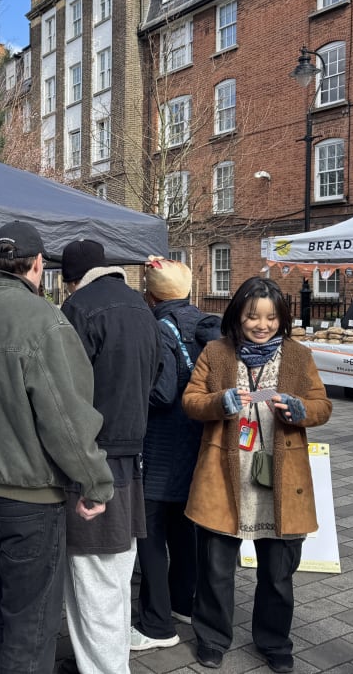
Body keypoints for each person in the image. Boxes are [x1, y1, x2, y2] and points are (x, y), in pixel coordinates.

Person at [0, 220, 113, 674]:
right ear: (39, 265)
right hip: (30, 495)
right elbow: (66, 417)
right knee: (31, 623)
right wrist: (96, 482)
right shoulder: (42, 319)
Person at [182, 277, 331, 672]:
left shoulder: (298, 356)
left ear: (281, 319)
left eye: (270, 317)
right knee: (215, 570)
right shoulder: (216, 352)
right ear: (238, 316)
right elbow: (191, 401)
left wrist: (301, 410)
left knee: (279, 574)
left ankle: (275, 642)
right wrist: (219, 401)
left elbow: (322, 405)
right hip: (223, 474)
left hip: (282, 478)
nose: (261, 325)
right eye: (252, 316)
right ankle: (212, 638)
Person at [58, 239, 161, 674]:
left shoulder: (78, 309)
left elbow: (65, 395)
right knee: (117, 574)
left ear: (70, 279)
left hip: (92, 461)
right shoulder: (143, 308)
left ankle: (104, 668)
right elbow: (159, 380)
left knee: (92, 578)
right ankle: (107, 661)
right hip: (134, 457)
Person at [132, 257, 221, 651]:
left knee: (150, 536)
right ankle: (184, 601)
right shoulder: (206, 325)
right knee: (186, 528)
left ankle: (156, 624)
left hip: (161, 448)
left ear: (150, 295)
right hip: (199, 443)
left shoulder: (158, 328)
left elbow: (163, 392)